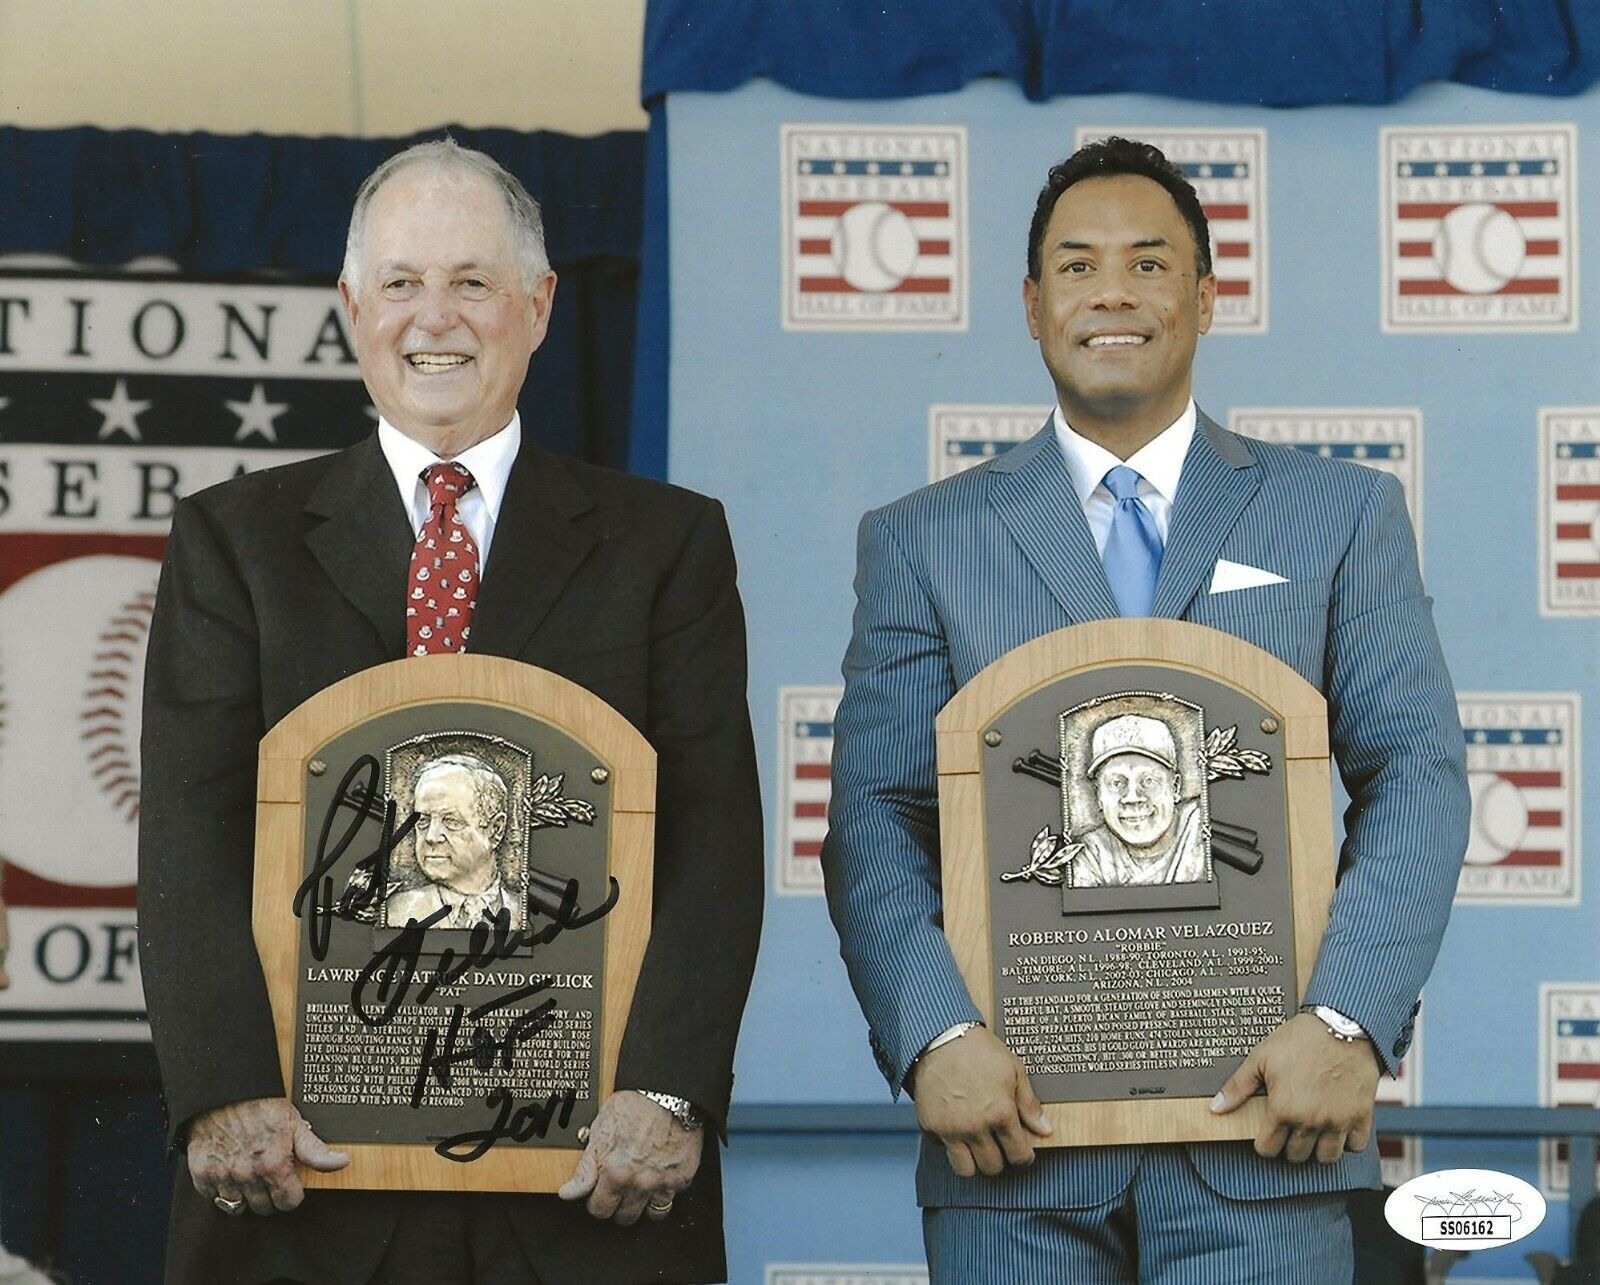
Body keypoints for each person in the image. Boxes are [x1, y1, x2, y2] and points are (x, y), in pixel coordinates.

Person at [821, 136, 1469, 1283]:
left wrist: (1348, 1023)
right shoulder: (921, 541)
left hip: (1267, 1138)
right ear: (1032, 305)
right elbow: (875, 815)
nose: (1110, 292)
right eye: (1075, 267)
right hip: (1013, 1143)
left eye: (1148, 263)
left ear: (1206, 298)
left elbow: (1416, 770)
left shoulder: (1340, 515)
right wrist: (933, 1035)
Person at [138, 139, 763, 1285]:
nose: (438, 317)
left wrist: (667, 1090)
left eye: (473, 282)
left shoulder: (665, 545)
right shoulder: (234, 544)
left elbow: (715, 837)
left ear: (537, 306)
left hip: (584, 1186)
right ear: (349, 308)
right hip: (307, 1183)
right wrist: (225, 1088)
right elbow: (186, 832)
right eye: (401, 283)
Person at [384, 754, 521, 930]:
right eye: (423, 821)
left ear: (495, 830)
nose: (431, 837)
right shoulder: (395, 913)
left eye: (451, 821)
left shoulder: (523, 914)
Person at [1073, 714, 1205, 888]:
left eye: (1149, 780)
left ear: (1176, 788)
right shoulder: (1090, 854)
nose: (1132, 798)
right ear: (1098, 796)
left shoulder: (1200, 831)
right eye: (1116, 783)